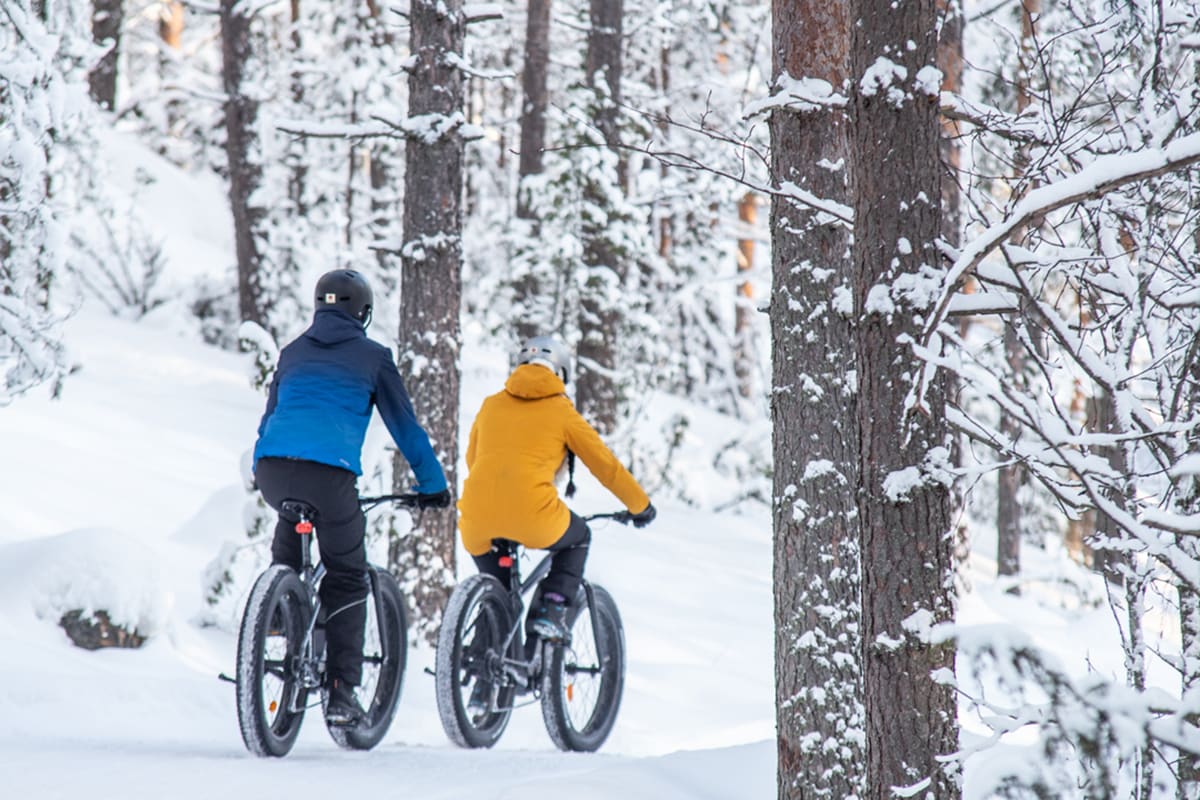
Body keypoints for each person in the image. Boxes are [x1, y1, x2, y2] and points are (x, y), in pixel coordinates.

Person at [252, 269, 450, 726]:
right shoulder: (373, 356)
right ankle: (342, 692)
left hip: (273, 471)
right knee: (346, 575)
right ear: (362, 311)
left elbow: (269, 419)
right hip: (329, 479)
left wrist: (261, 468)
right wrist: (433, 485)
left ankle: (277, 610)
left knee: (291, 537)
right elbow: (407, 429)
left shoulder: (292, 352)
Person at [456, 335, 656, 645]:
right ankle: (551, 609)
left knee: (499, 593)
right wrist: (640, 505)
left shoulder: (491, 404)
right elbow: (605, 465)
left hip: (475, 520)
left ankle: (484, 667)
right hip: (535, 517)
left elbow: (473, 460)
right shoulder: (562, 412)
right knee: (578, 538)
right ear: (561, 372)